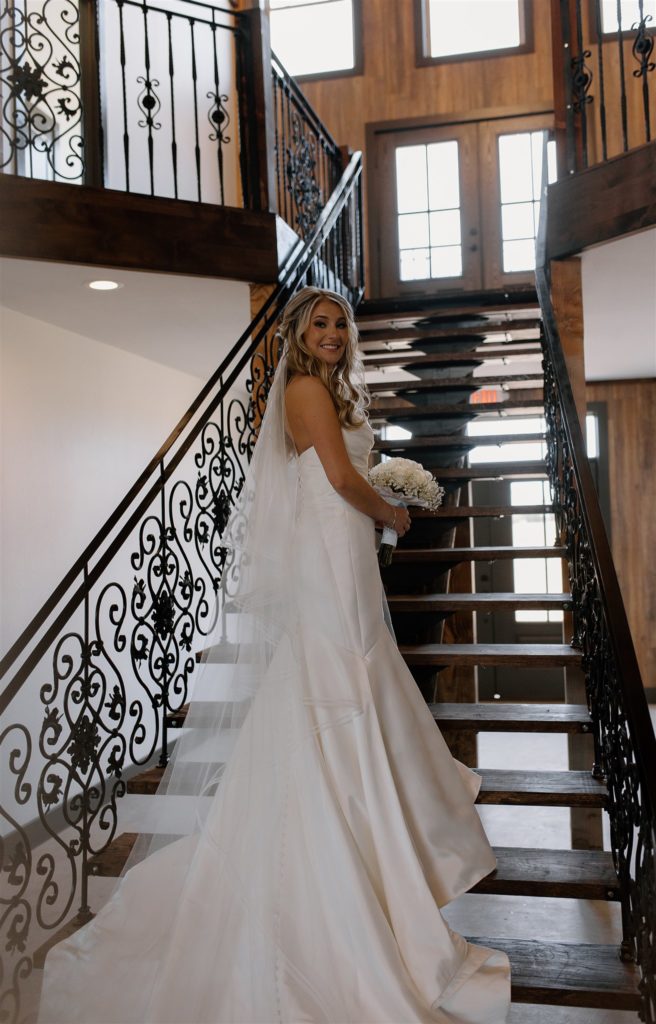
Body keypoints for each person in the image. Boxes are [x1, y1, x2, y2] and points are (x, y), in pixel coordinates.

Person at [37, 286, 511, 1023]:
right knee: (339, 688)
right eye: (319, 324)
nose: (330, 333)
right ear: (298, 334)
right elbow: (342, 481)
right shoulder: (301, 390)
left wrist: (376, 507)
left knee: (352, 686)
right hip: (330, 564)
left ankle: (369, 856)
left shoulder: (329, 393)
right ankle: (337, 879)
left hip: (344, 557)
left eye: (339, 325)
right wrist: (391, 510)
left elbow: (341, 477)